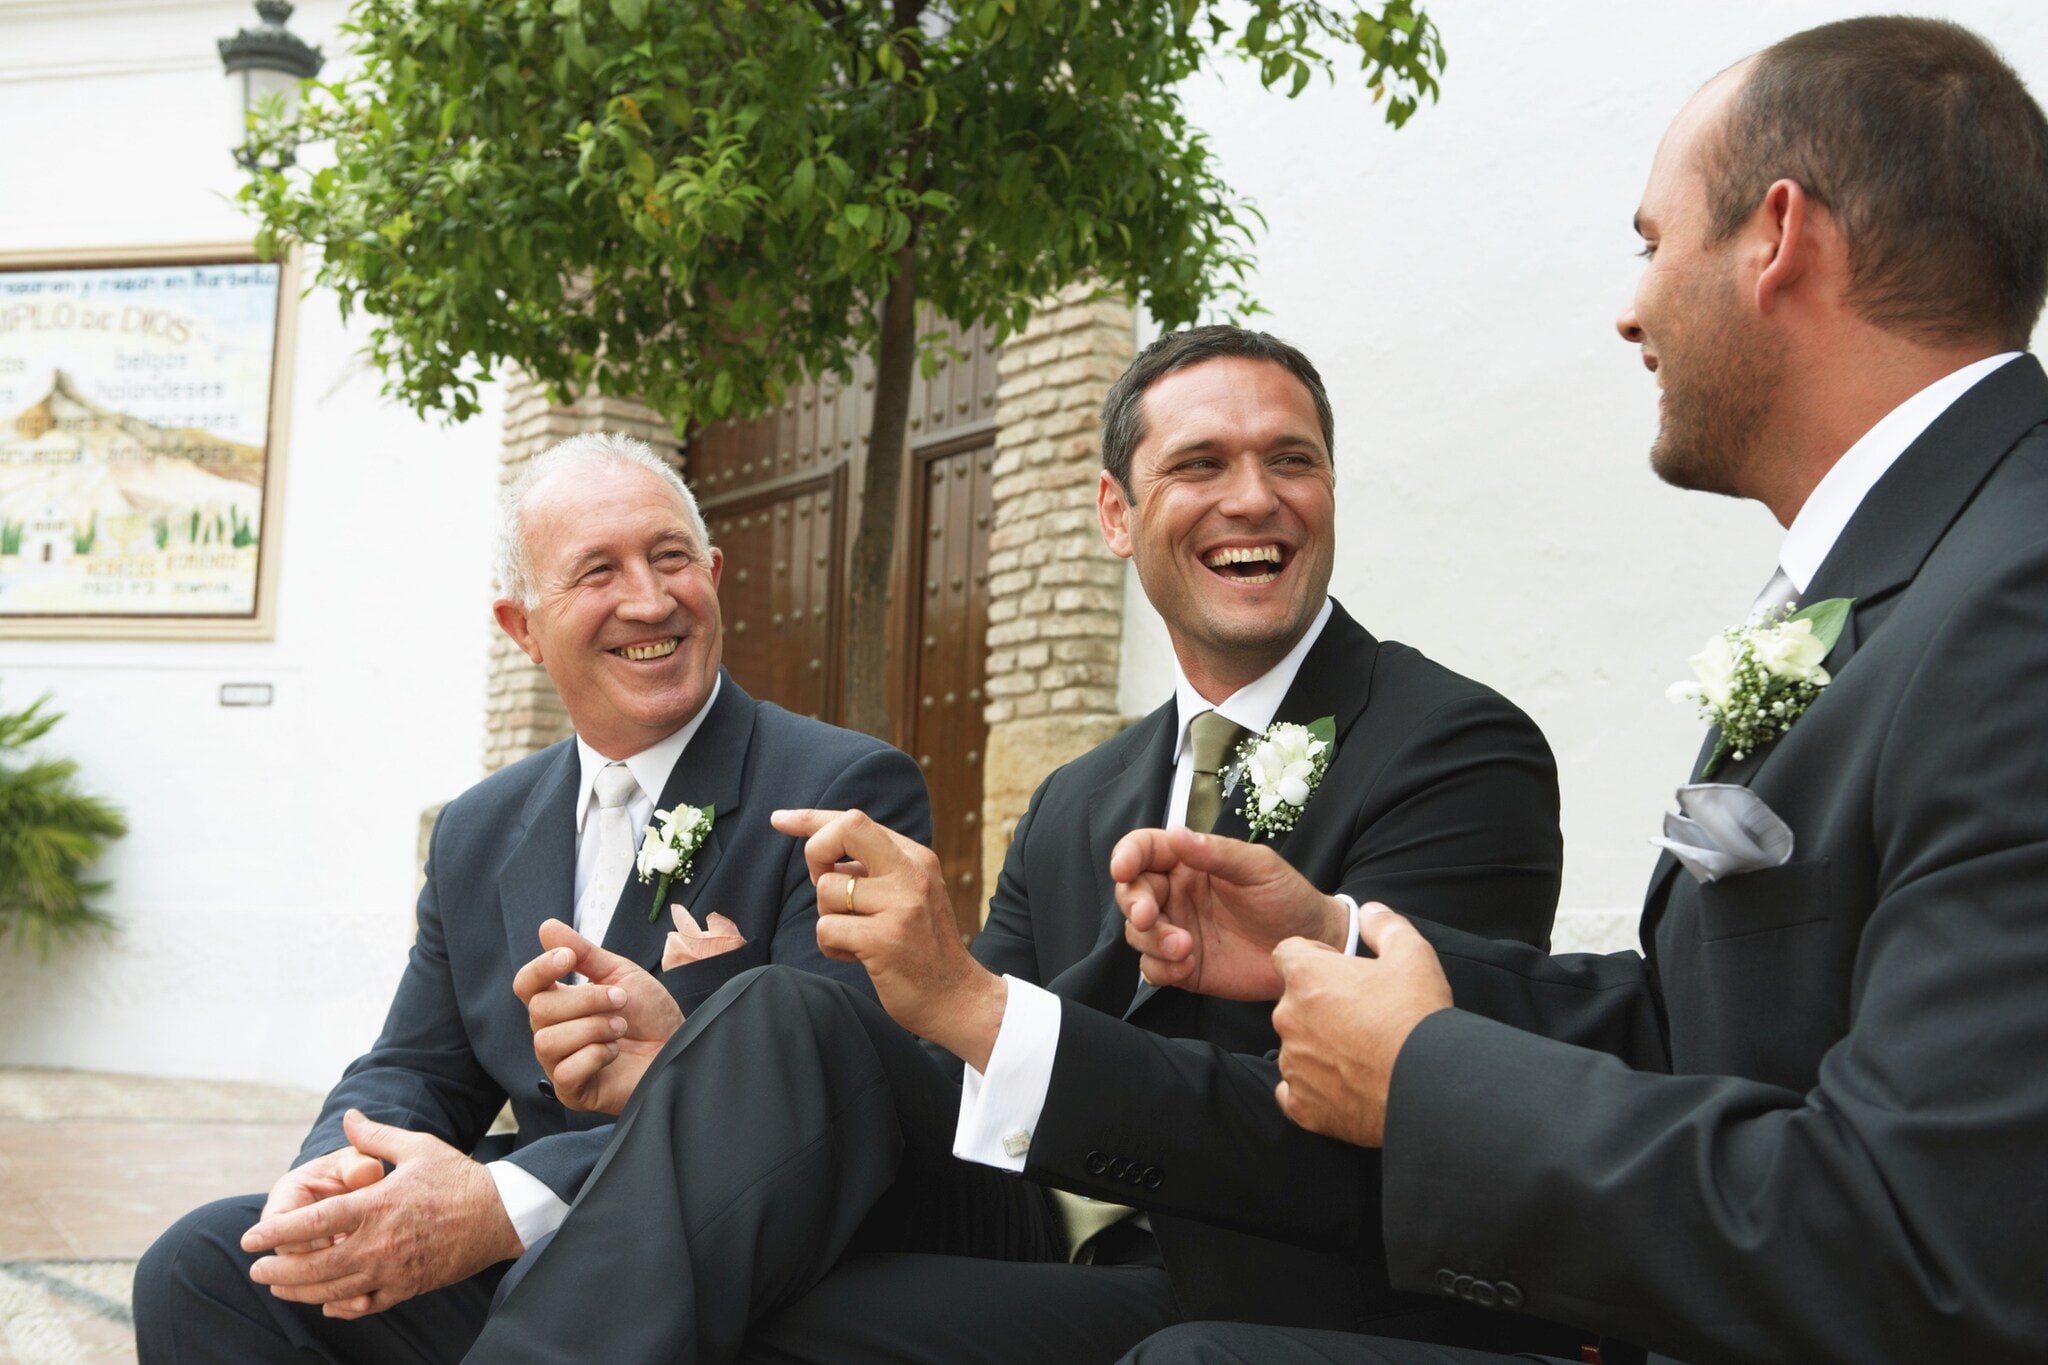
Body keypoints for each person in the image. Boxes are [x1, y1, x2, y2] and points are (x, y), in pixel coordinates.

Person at [1111, 17, 2048, 1364]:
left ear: (1778, 238)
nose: (1630, 308)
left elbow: (1938, 1251)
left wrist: (1430, 1087)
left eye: (1651, 243)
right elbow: (1699, 1015)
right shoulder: (1905, 572)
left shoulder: (2015, 604)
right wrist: (1343, 934)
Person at [459, 326, 1579, 1365]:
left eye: (1289, 461)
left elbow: (1387, 1137)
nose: (1252, 499)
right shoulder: (1079, 797)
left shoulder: (1452, 749)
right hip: (1050, 1230)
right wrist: (698, 1065)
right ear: (1114, 514)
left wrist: (972, 1004)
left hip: (1286, 1283)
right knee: (777, 1013)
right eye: (1198, 466)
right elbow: (957, 1083)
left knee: (788, 1321)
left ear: (1328, 493)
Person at [132, 434, 931, 1364]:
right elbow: (416, 1066)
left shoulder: (841, 788)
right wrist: (334, 1175)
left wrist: (501, 1205)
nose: (649, 597)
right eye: (599, 571)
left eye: (671, 556)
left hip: (736, 1267)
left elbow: (830, 1106)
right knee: (204, 1268)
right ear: (522, 626)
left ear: (712, 572)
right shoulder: (480, 828)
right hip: (525, 1256)